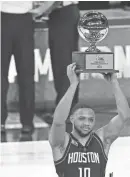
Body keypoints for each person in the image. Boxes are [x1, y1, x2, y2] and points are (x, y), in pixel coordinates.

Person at [48, 63, 130, 177]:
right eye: (82, 118)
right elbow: (58, 121)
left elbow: (124, 116)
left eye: (91, 120)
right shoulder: (63, 143)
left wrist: (114, 83)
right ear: (71, 119)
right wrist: (73, 85)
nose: (87, 123)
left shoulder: (101, 139)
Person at [31, 2, 80, 132]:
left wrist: (38, 11)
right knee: (64, 62)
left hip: (63, 12)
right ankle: (67, 109)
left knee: (63, 63)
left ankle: (64, 113)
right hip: (61, 13)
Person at [1, 2, 36, 133]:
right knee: (25, 74)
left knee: (22, 73)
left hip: (11, 19)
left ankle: (3, 121)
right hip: (19, 19)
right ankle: (26, 122)